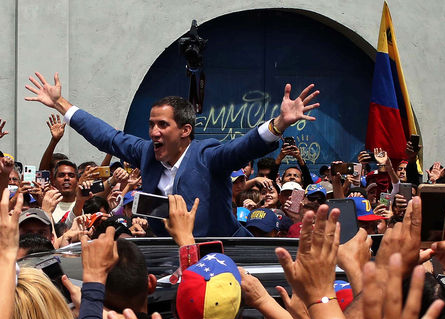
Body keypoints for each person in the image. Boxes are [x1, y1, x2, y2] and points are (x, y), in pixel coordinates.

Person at [25, 71, 319, 236]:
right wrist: (61, 104)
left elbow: (242, 147)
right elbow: (108, 138)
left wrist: (279, 123)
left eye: (162, 125)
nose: (153, 132)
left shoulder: (208, 156)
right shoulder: (146, 153)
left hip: (223, 255)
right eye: (151, 124)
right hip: (169, 259)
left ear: (185, 131)